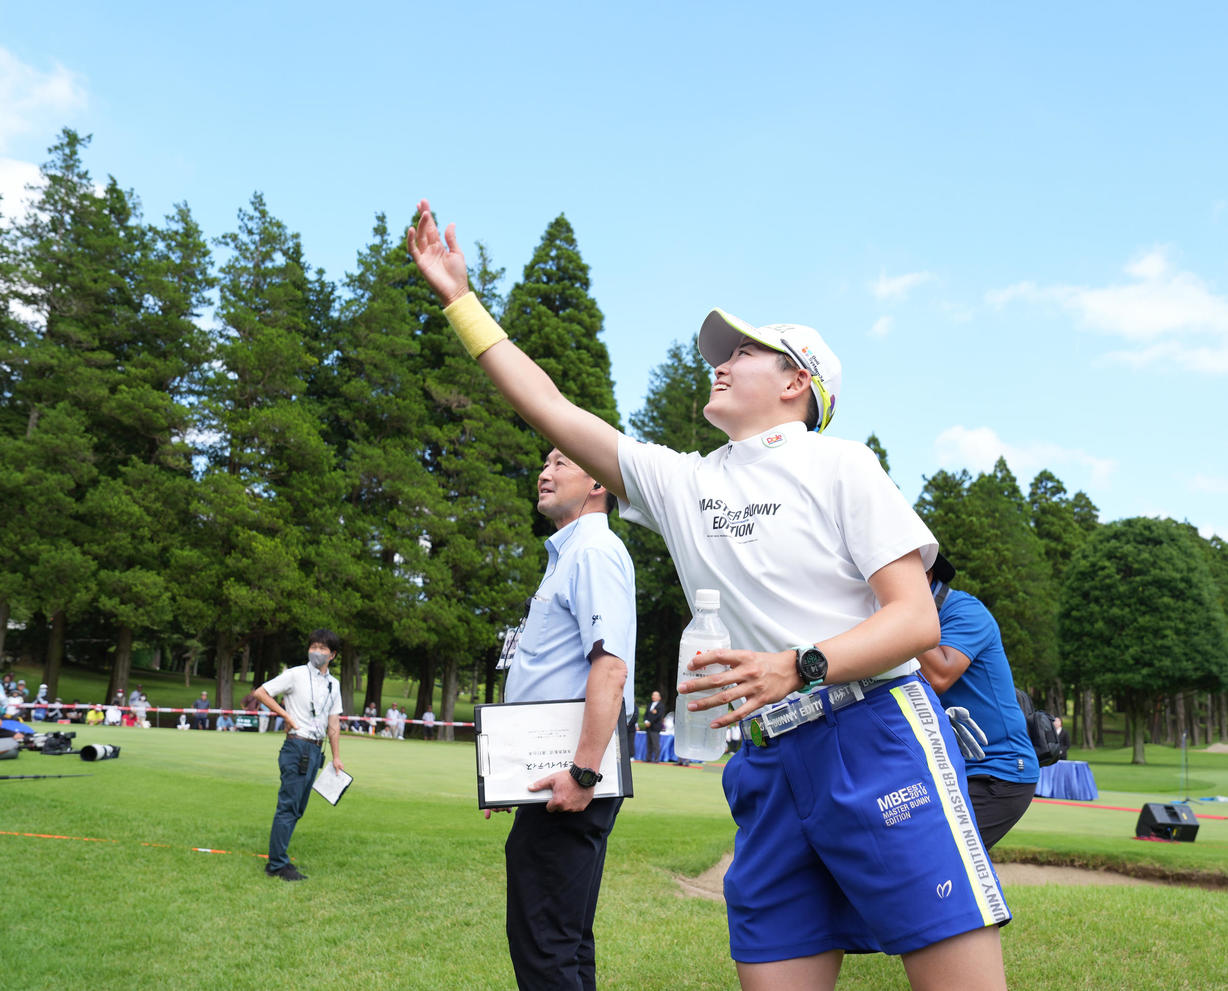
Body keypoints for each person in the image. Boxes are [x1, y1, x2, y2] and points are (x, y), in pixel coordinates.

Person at [408, 201, 1007, 991]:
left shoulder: (842, 465)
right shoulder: (685, 481)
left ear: (799, 382)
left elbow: (914, 616)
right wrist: (459, 298)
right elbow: (550, 406)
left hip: (872, 736)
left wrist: (800, 664)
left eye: (746, 352)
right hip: (765, 764)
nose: (720, 362)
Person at [484, 444, 636, 991]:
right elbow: (551, 675)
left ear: (598, 482)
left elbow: (610, 667)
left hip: (574, 774)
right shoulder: (570, 554)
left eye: (560, 463)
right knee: (562, 936)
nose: (544, 473)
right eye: (543, 463)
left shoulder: (594, 551)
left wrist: (585, 773)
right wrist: (506, 775)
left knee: (546, 942)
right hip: (554, 770)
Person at [917, 553, 1039, 850]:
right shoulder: (912, 622)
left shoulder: (965, 610)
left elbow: (939, 674)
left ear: (927, 573)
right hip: (949, 770)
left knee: (938, 861)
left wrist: (893, 616)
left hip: (998, 772)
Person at [252, 628, 346, 882]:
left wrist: (336, 757)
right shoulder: (295, 674)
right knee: (289, 805)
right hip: (297, 746)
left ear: (332, 655)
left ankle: (279, 857)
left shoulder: (333, 684)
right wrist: (285, 715)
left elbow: (333, 721)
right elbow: (261, 692)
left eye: (322, 648)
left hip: (316, 749)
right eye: (313, 647)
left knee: (298, 808)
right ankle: (277, 864)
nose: (316, 652)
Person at [641, 690, 665, 763]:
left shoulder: (661, 706)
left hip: (655, 728)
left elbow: (658, 716)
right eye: (652, 695)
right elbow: (645, 715)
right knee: (649, 744)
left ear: (659, 697)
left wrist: (650, 722)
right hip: (648, 727)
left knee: (655, 744)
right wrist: (646, 721)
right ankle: (648, 758)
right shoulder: (649, 705)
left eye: (655, 695)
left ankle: (657, 759)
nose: (653, 696)